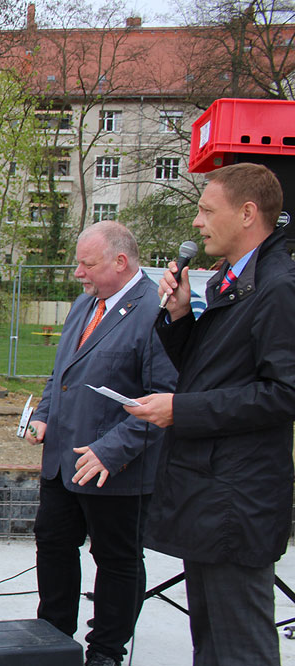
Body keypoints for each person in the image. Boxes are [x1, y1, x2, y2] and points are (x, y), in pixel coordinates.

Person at [127, 163, 295, 666]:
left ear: (247, 214)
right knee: (211, 642)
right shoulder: (230, 280)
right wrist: (180, 318)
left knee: (239, 643)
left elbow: (283, 393)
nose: (197, 223)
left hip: (237, 500)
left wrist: (182, 409)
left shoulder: (278, 288)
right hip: (210, 491)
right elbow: (215, 372)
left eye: (206, 210)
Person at [24, 221, 176, 666]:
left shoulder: (156, 312)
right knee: (52, 543)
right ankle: (52, 635)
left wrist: (110, 450)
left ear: (121, 262)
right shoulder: (84, 305)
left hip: (117, 468)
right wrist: (44, 416)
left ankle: (106, 650)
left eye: (86, 264)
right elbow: (62, 373)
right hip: (63, 462)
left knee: (116, 561)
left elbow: (164, 402)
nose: (77, 273)